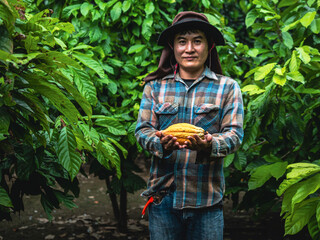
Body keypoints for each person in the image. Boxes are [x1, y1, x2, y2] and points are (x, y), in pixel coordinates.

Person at [135, 11, 244, 240]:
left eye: (197, 41)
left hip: (206, 201)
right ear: (173, 47)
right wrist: (160, 143)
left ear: (209, 45)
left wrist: (210, 144)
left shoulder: (228, 88)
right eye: (182, 42)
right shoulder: (154, 87)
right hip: (163, 200)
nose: (189, 49)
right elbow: (142, 131)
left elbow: (235, 134)